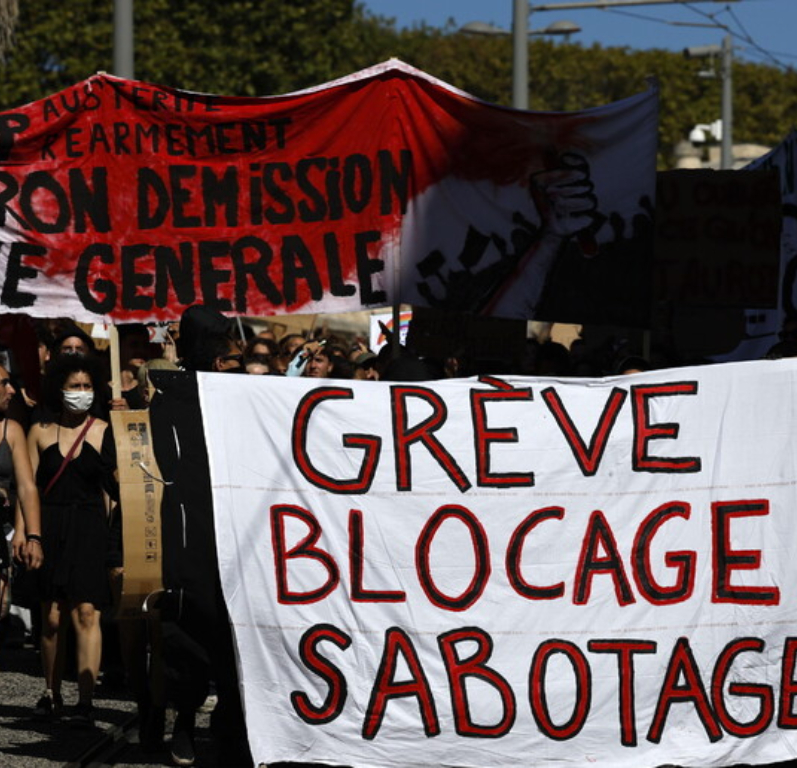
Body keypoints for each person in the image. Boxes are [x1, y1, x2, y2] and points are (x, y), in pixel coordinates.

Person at [26, 354, 117, 726]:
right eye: (74, 386)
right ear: (59, 389)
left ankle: (85, 700)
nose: (82, 392)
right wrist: (29, 535)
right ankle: (51, 692)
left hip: (89, 525)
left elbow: (113, 489)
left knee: (87, 612)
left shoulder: (105, 430)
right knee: (51, 616)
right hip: (49, 524)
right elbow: (28, 488)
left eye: (87, 386)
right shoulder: (39, 430)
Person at [1, 364, 43, 639]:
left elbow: (28, 487)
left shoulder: (12, 430)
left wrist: (33, 536)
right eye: (4, 383)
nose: (12, 390)